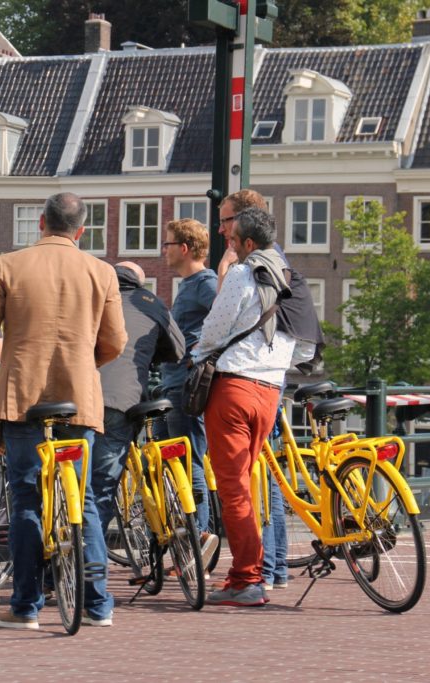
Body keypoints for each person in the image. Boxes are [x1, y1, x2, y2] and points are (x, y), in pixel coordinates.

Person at [0, 192, 127, 630]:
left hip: (23, 401)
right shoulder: (101, 271)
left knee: (27, 499)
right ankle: (97, 604)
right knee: (83, 498)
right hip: (79, 400)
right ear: (81, 230)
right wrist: (87, 365)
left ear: (41, 223)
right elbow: (116, 341)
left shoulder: (10, 265)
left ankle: (26, 606)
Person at [197, 208, 315, 607]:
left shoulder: (244, 275)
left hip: (234, 389)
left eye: (232, 241)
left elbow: (215, 329)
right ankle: (254, 572)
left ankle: (247, 578)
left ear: (248, 244)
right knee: (247, 483)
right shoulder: (290, 278)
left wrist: (197, 354)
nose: (228, 246)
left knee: (233, 488)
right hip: (271, 391)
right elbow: (305, 345)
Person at [91, 262, 184, 548]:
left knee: (72, 483)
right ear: (139, 283)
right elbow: (178, 350)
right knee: (100, 489)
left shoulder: (90, 297)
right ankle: (86, 565)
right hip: (122, 401)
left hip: (78, 398)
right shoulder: (150, 303)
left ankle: (54, 566)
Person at [157, 218, 219, 560]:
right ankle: (189, 538)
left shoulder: (205, 284)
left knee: (188, 458)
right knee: (175, 460)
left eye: (167, 244)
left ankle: (199, 539)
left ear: (183, 248)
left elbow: (230, 320)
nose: (163, 250)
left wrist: (199, 357)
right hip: (173, 384)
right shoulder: (190, 286)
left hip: (185, 386)